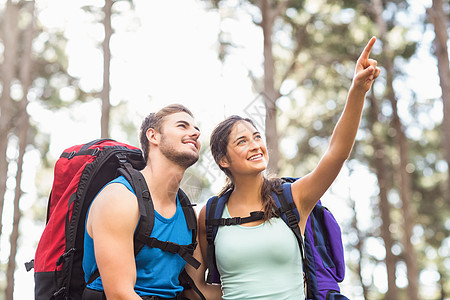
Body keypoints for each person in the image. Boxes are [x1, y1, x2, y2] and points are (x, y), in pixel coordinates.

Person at [189, 37, 381, 299]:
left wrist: (357, 90)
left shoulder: (294, 197)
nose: (256, 145)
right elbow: (195, 288)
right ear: (223, 160)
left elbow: (337, 153)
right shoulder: (209, 215)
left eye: (257, 137)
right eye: (242, 141)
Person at [82, 104, 205, 299]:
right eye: (183, 126)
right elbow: (120, 295)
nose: (195, 133)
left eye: (197, 129)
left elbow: (197, 292)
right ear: (153, 136)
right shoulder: (120, 198)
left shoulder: (188, 213)